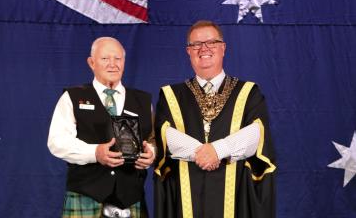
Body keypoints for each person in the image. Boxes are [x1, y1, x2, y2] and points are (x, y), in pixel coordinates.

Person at [154, 20, 276, 218]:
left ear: (223, 48)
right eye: (196, 44)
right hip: (186, 194)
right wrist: (202, 153)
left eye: (211, 42)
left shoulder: (248, 92)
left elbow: (256, 134)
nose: (204, 49)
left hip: (235, 194)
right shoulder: (171, 95)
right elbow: (165, 135)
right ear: (188, 51)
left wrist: (218, 150)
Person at [48, 37, 155, 218]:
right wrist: (95, 153)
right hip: (86, 196)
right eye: (105, 58)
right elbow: (57, 141)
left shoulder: (143, 101)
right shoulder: (73, 97)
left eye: (118, 59)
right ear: (92, 63)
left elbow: (152, 140)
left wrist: (151, 153)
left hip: (131, 197)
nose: (112, 64)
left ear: (124, 62)